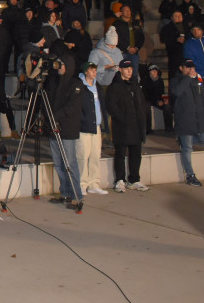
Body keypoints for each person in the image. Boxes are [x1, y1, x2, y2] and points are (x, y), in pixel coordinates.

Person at [106, 59, 149, 193]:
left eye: (131, 68)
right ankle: (120, 180)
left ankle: (134, 180)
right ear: (120, 70)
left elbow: (141, 104)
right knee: (120, 153)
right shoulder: (114, 87)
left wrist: (142, 120)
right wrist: (123, 118)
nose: (129, 71)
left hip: (136, 126)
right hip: (122, 127)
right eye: (126, 69)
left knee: (136, 153)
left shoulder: (135, 86)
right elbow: (111, 106)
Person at [47, 55, 84, 208]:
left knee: (70, 163)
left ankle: (76, 195)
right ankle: (65, 193)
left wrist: (54, 116)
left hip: (67, 129)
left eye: (61, 64)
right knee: (58, 164)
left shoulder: (76, 84)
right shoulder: (55, 82)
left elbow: (72, 106)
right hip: (54, 128)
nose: (58, 67)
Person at [170, 59, 204, 187]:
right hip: (185, 120)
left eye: (192, 67)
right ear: (181, 68)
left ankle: (182, 141)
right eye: (187, 67)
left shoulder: (197, 80)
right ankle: (190, 175)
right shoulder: (176, 80)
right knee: (187, 149)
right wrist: (188, 78)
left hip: (199, 119)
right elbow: (176, 91)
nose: (190, 70)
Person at [77, 62, 108, 195]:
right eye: (91, 70)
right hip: (84, 127)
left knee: (96, 154)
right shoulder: (80, 86)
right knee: (83, 155)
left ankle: (94, 183)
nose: (94, 72)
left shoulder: (98, 86)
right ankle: (82, 184)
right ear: (86, 72)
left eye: (95, 70)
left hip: (97, 125)